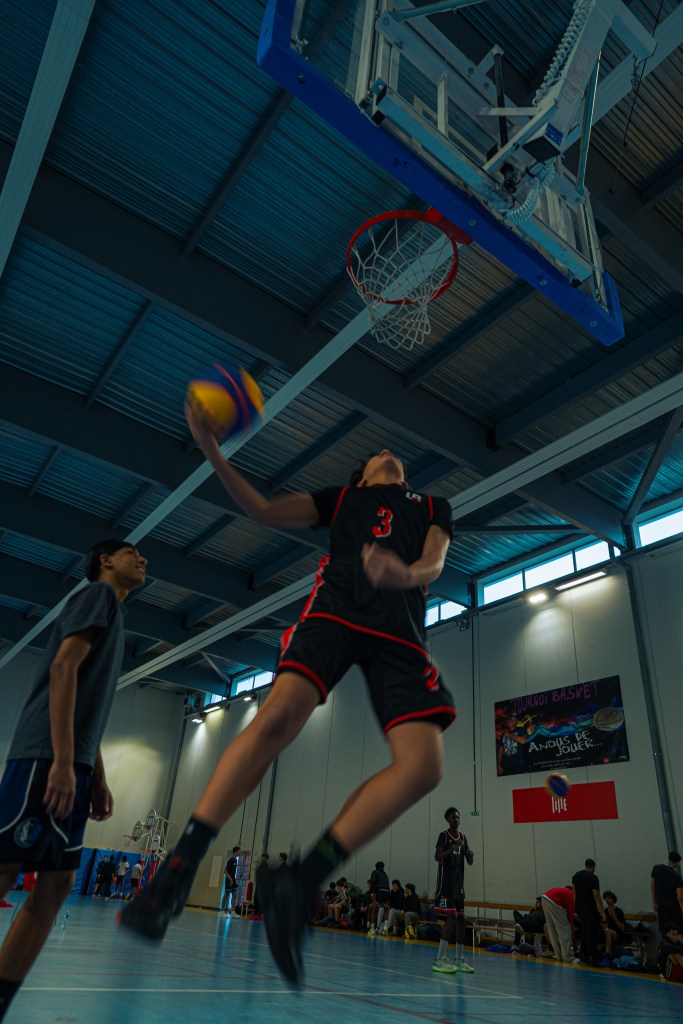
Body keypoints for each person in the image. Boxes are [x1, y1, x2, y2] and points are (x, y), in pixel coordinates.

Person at [120, 416, 455, 985]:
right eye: (375, 453)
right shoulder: (342, 499)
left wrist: (405, 574)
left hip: (400, 628)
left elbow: (435, 562)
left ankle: (300, 881)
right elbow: (263, 509)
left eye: (391, 450)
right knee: (278, 715)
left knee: (424, 767)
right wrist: (211, 449)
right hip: (336, 608)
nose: (386, 448)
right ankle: (177, 868)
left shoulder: (431, 506)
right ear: (361, 476)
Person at [0, 539, 147, 1021]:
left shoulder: (115, 614)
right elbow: (64, 668)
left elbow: (84, 704)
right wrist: (62, 761)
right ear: (105, 561)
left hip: (73, 762)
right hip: (45, 755)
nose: (142, 559)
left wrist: (96, 775)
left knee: (58, 882)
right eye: (131, 552)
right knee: (5, 868)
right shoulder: (98, 596)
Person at [433, 807, 475, 974]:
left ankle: (459, 958)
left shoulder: (463, 837)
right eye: (453, 817)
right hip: (446, 884)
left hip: (459, 886)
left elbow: (469, 862)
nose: (456, 819)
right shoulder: (444, 836)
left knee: (461, 921)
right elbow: (437, 857)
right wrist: (453, 848)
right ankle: (439, 958)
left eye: (458, 817)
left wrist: (470, 854)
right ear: (447, 819)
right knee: (451, 919)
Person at [572, 858, 605, 965]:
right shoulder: (593, 877)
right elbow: (596, 895)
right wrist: (602, 912)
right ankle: (592, 956)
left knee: (584, 932)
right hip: (590, 909)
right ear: (593, 867)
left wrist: (575, 909)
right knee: (592, 933)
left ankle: (583, 955)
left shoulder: (576, 875)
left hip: (580, 909)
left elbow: (574, 893)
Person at [541, 886, 580, 964]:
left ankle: (559, 956)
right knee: (565, 930)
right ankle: (568, 958)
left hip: (544, 898)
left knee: (552, 930)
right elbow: (570, 920)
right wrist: (573, 937)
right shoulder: (571, 896)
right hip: (554, 900)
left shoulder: (564, 892)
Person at [651, 851, 683, 935]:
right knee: (678, 932)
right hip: (674, 908)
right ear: (677, 862)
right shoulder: (677, 876)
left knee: (665, 932)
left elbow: (652, 887)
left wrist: (654, 902)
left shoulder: (656, 868)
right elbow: (680, 898)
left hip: (662, 907)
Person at [602, 890, 626, 956]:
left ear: (613, 899)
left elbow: (622, 929)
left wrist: (614, 917)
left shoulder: (619, 911)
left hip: (617, 934)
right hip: (606, 932)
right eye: (606, 898)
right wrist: (603, 925)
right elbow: (604, 925)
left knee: (608, 931)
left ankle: (607, 954)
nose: (607, 900)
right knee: (606, 931)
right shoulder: (605, 911)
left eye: (609, 898)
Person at [221, 846, 240, 915]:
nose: (239, 853)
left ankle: (233, 912)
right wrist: (231, 879)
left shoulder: (236, 860)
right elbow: (225, 871)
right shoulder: (230, 860)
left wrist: (234, 880)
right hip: (229, 880)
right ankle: (222, 911)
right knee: (226, 894)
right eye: (239, 851)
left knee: (234, 895)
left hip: (233, 880)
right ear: (235, 852)